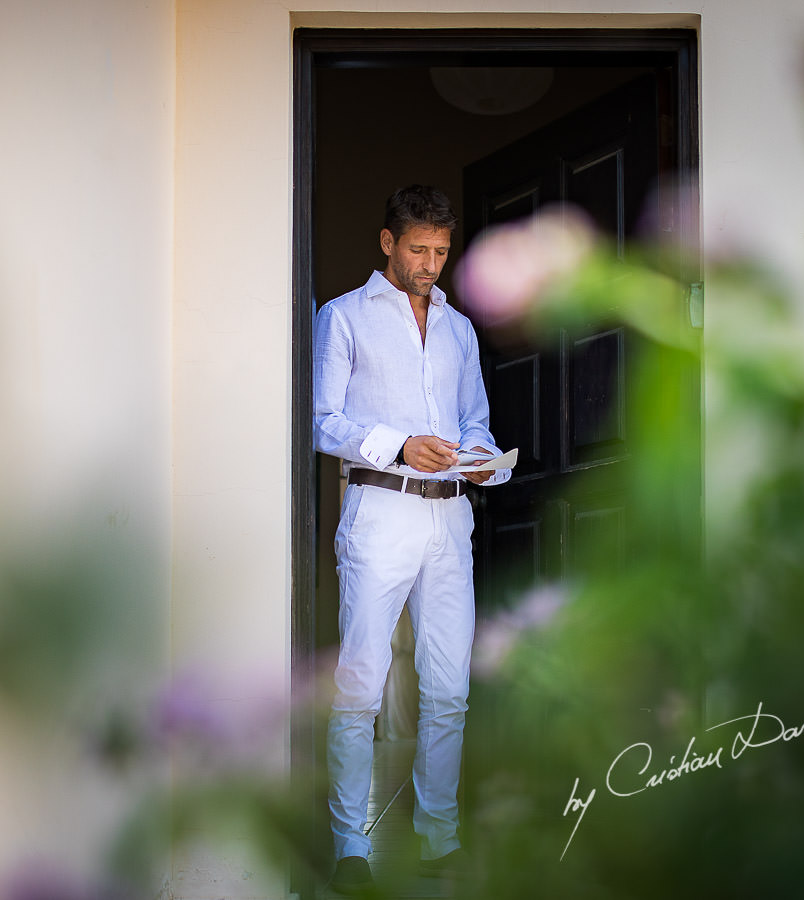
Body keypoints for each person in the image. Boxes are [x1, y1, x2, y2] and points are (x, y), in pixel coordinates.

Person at [313, 184, 510, 893]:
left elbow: (475, 418)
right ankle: (349, 846)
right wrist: (398, 446)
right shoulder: (341, 318)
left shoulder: (460, 330)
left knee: (450, 687)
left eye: (442, 252)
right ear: (388, 242)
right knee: (360, 683)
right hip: (380, 514)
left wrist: (482, 459)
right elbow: (320, 419)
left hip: (451, 519)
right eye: (419, 249)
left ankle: (439, 835)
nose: (431, 263)